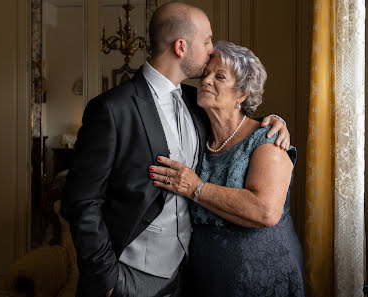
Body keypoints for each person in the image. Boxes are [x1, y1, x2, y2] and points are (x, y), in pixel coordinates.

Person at [60, 3, 290, 297]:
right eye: (207, 41)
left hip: (189, 274)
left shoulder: (198, 101)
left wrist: (277, 122)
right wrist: (105, 278)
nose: (210, 50)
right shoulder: (112, 109)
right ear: (181, 47)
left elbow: (238, 121)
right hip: (128, 276)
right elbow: (80, 201)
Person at [149, 40, 305, 297]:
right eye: (205, 74)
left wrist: (195, 188)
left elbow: (265, 211)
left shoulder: (267, 139)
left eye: (219, 76)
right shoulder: (198, 128)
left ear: (242, 94)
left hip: (259, 277)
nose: (206, 81)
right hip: (205, 277)